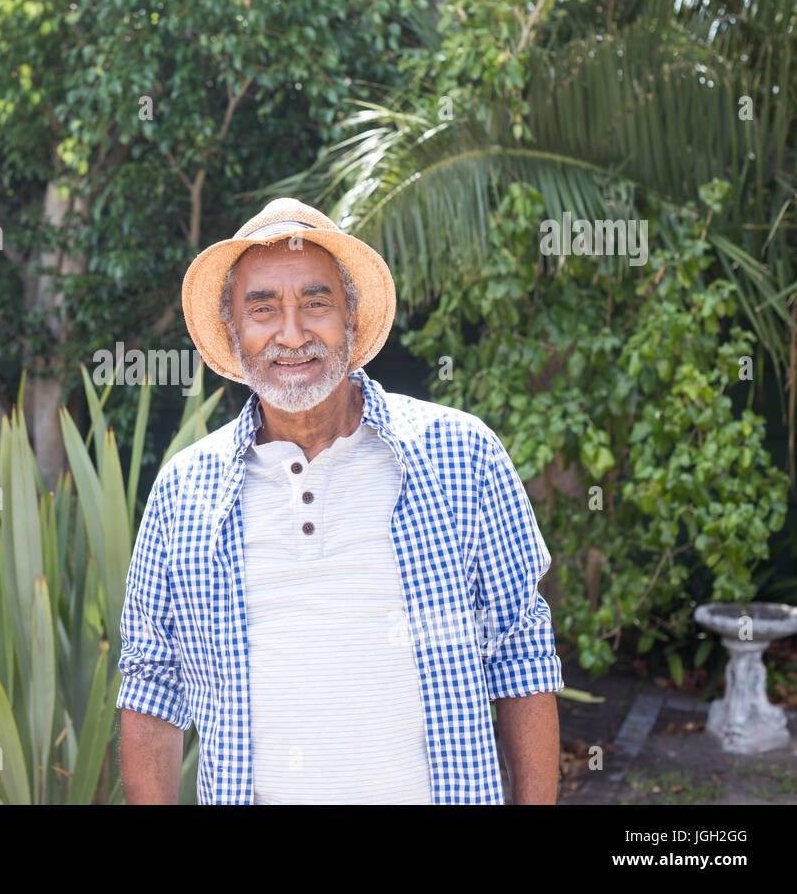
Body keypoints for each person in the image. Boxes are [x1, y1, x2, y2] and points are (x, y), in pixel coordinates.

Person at [116, 197, 564, 804]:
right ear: (232, 331)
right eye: (263, 308)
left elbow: (518, 646)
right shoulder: (183, 492)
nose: (292, 333)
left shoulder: (462, 455)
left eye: (316, 302)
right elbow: (153, 684)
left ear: (350, 316)